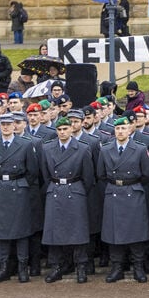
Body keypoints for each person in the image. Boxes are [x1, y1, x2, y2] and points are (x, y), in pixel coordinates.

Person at [98, 116, 149, 283]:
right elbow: (100, 174)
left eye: (123, 128)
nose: (120, 132)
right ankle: (117, 267)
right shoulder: (106, 149)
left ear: (130, 130)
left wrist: (132, 184)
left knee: (136, 232)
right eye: (117, 129)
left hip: (133, 191)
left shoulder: (139, 149)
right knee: (114, 233)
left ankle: (138, 266)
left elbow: (147, 174)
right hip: (114, 191)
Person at [0, 113, 40, 283]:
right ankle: (3, 267)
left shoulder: (25, 144)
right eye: (3, 124)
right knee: (2, 231)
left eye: (10, 124)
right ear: (0, 126)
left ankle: (23, 267)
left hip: (19, 189)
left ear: (15, 126)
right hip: (0, 189)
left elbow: (32, 171)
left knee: (21, 231)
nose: (7, 127)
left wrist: (20, 184)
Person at [40, 117, 95, 284]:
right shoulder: (47, 148)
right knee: (54, 232)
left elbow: (88, 177)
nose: (62, 132)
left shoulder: (83, 149)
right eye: (59, 129)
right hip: (55, 189)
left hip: (75, 190)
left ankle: (81, 266)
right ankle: (56, 266)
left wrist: (78, 190)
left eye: (65, 129)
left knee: (78, 232)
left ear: (72, 129)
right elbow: (45, 174)